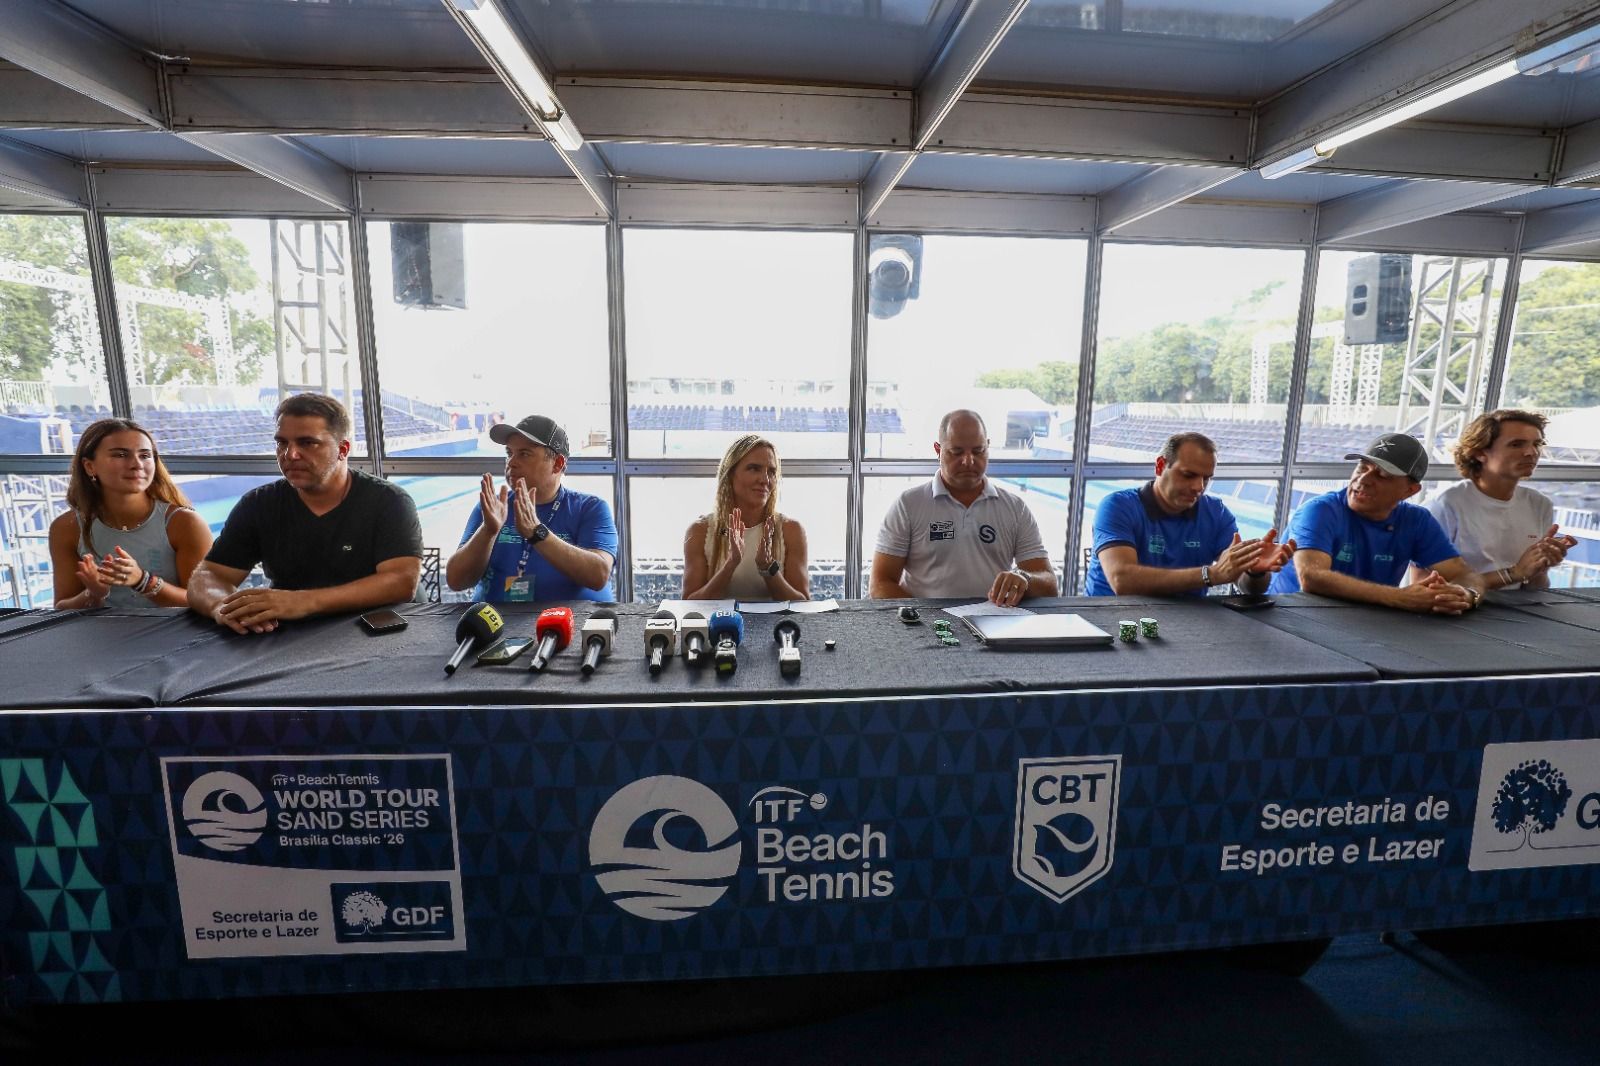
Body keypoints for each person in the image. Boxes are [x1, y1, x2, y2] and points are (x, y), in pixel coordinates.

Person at [188, 393, 422, 633]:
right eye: (282, 443)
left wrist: (303, 601)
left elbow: (401, 582)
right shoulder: (259, 504)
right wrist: (223, 607)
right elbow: (208, 576)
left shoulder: (389, 501)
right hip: (294, 638)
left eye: (307, 443)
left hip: (382, 633)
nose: (290, 455)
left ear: (343, 449)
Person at [1269, 432, 1488, 613]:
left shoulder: (1416, 520)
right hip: (1293, 617)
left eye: (1382, 475)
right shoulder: (1320, 510)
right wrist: (1400, 598)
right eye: (1362, 468)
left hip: (1361, 623)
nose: (1363, 480)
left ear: (1410, 490)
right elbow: (1312, 577)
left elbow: (1463, 573)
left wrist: (1467, 595)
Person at [870, 409, 1057, 604]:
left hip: (991, 626)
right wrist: (925, 621)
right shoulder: (909, 505)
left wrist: (1024, 579)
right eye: (956, 452)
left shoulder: (1014, 508)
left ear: (988, 447)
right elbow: (880, 583)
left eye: (978, 451)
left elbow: (1049, 585)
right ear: (938, 450)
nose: (968, 461)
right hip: (927, 629)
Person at [1084, 432, 1294, 597]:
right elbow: (1122, 580)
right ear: (1160, 466)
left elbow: (1248, 587)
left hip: (1186, 627)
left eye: (1206, 479)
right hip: (1113, 620)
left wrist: (1253, 571)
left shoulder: (1216, 513)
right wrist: (1210, 574)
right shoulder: (1117, 506)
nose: (1198, 487)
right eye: (1188, 475)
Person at [446, 414, 617, 603]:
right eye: (509, 453)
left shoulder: (590, 509)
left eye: (524, 454)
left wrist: (537, 533)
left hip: (569, 625)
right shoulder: (492, 508)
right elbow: (456, 580)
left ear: (558, 464)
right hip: (495, 625)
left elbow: (598, 574)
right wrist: (487, 532)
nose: (511, 462)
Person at [49, 418, 212, 609]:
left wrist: (143, 581)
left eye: (145, 455)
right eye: (120, 455)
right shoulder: (66, 528)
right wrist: (93, 594)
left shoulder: (185, 523)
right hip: (102, 636)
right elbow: (61, 607)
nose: (136, 464)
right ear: (89, 466)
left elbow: (205, 602)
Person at [1423, 409, 1575, 590]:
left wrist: (1541, 566)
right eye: (1516, 444)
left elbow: (1534, 588)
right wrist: (1514, 573)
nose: (1531, 452)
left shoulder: (1539, 504)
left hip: (1516, 612)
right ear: (1479, 453)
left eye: (1537, 444)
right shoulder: (1445, 505)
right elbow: (1425, 587)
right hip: (1457, 612)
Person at [681, 434, 809, 601]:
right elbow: (689, 603)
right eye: (754, 468)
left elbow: (803, 604)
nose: (765, 479)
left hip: (774, 627)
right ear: (731, 475)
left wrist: (768, 568)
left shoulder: (791, 530)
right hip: (720, 627)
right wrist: (731, 564)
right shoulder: (699, 531)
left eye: (771, 472)